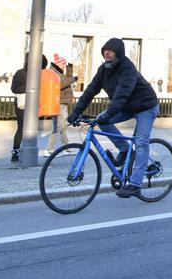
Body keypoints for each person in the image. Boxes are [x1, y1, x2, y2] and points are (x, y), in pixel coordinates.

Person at [68, 38, 159, 198]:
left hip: (146, 106)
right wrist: (76, 112)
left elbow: (121, 95)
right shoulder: (103, 70)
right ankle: (124, 150)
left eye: (110, 50)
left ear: (118, 53)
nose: (106, 52)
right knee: (102, 121)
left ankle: (136, 184)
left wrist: (108, 112)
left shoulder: (127, 68)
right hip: (127, 107)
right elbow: (90, 91)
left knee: (141, 142)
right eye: (104, 50)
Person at [9, 54, 47, 164]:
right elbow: (14, 89)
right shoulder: (35, 74)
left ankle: (17, 152)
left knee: (22, 128)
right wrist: (30, 88)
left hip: (23, 104)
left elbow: (14, 89)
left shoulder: (21, 72)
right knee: (24, 128)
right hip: (28, 104)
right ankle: (19, 151)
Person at [44, 54, 78, 156]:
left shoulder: (57, 71)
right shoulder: (54, 72)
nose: (64, 65)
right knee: (58, 127)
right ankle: (49, 149)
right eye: (63, 63)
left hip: (61, 103)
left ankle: (66, 147)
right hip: (58, 103)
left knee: (63, 126)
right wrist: (73, 79)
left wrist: (69, 68)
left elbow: (66, 79)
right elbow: (62, 84)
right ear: (58, 63)